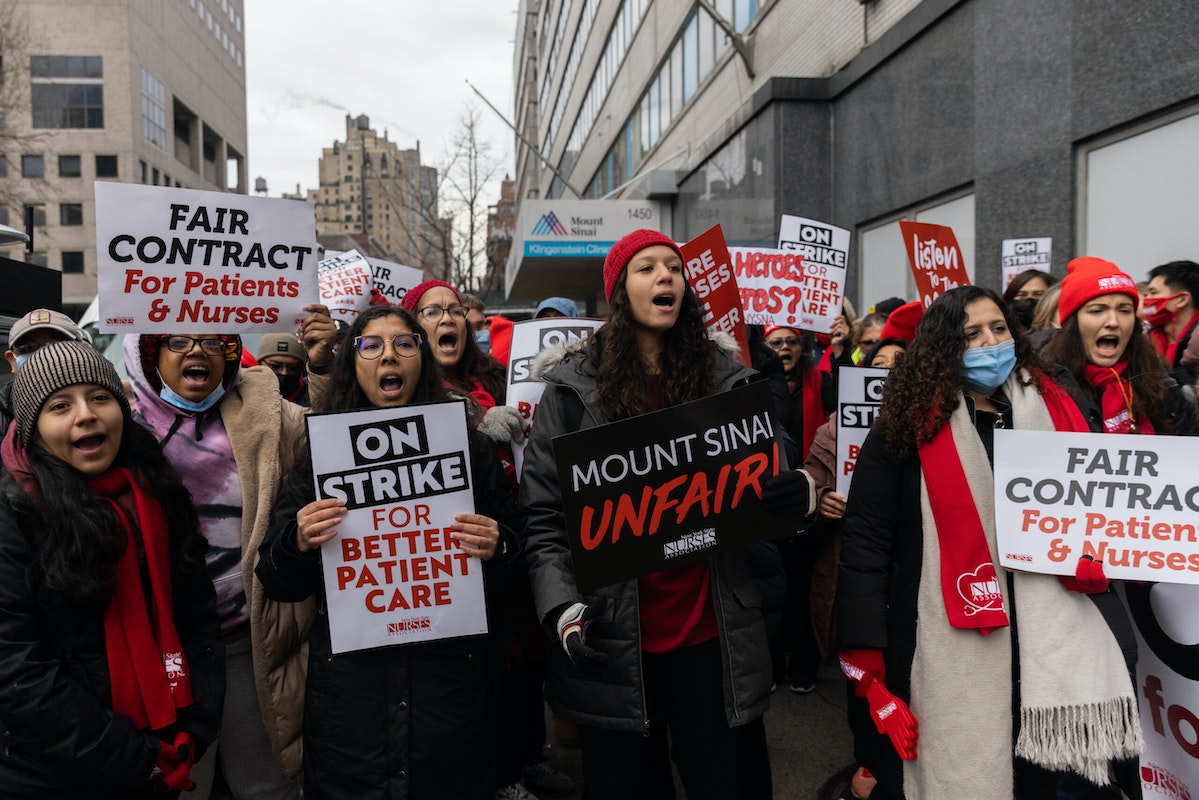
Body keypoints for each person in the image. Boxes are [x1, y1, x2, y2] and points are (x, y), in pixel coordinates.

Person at [520, 229, 807, 799]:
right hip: (616, 638)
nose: (665, 276)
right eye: (646, 267)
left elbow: (777, 468)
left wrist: (796, 491)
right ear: (620, 292)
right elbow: (545, 518)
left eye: (673, 267)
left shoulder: (727, 380)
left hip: (713, 632)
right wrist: (560, 607)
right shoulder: (572, 392)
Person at [837, 285, 1144, 800]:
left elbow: (1095, 504)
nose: (990, 343)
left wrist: (1098, 555)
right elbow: (865, 544)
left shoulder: (1057, 402)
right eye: (971, 334)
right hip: (953, 637)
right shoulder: (904, 422)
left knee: (1051, 783)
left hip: (1049, 637)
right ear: (941, 348)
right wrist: (867, 664)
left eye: (999, 328)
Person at [255, 304, 524, 799]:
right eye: (370, 345)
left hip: (450, 700)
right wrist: (296, 541)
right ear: (351, 364)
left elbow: (517, 562)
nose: (387, 357)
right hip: (350, 710)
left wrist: (499, 544)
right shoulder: (321, 453)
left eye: (403, 344)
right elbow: (276, 579)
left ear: (421, 359)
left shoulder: (471, 448)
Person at [123, 306, 337, 800]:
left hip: (251, 642)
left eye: (211, 341)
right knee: (179, 785)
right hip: (163, 648)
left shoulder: (267, 412)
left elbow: (332, 438)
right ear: (153, 353)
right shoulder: (122, 421)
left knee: (267, 783)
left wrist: (323, 367)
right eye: (178, 341)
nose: (197, 350)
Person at [0, 341, 223, 798]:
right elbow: (15, 668)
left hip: (163, 752)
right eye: (60, 406)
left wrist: (194, 725)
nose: (86, 415)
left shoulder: (158, 488)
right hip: (51, 776)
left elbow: (195, 612)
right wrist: (132, 756)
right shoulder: (14, 514)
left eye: (99, 397)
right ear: (33, 431)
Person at [1, 308, 90, 436]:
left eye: (55, 345)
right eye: (28, 348)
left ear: (84, 351)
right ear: (12, 361)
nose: (43, 355)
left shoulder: (105, 403)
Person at [1143, 260, 1199, 379]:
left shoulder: (1195, 346)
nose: (1146, 300)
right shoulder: (1146, 340)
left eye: (1153, 293)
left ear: (1181, 300)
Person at [257, 333, 309, 405]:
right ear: (260, 363)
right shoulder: (245, 392)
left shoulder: (314, 395)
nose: (284, 372)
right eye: (275, 366)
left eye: (293, 368)